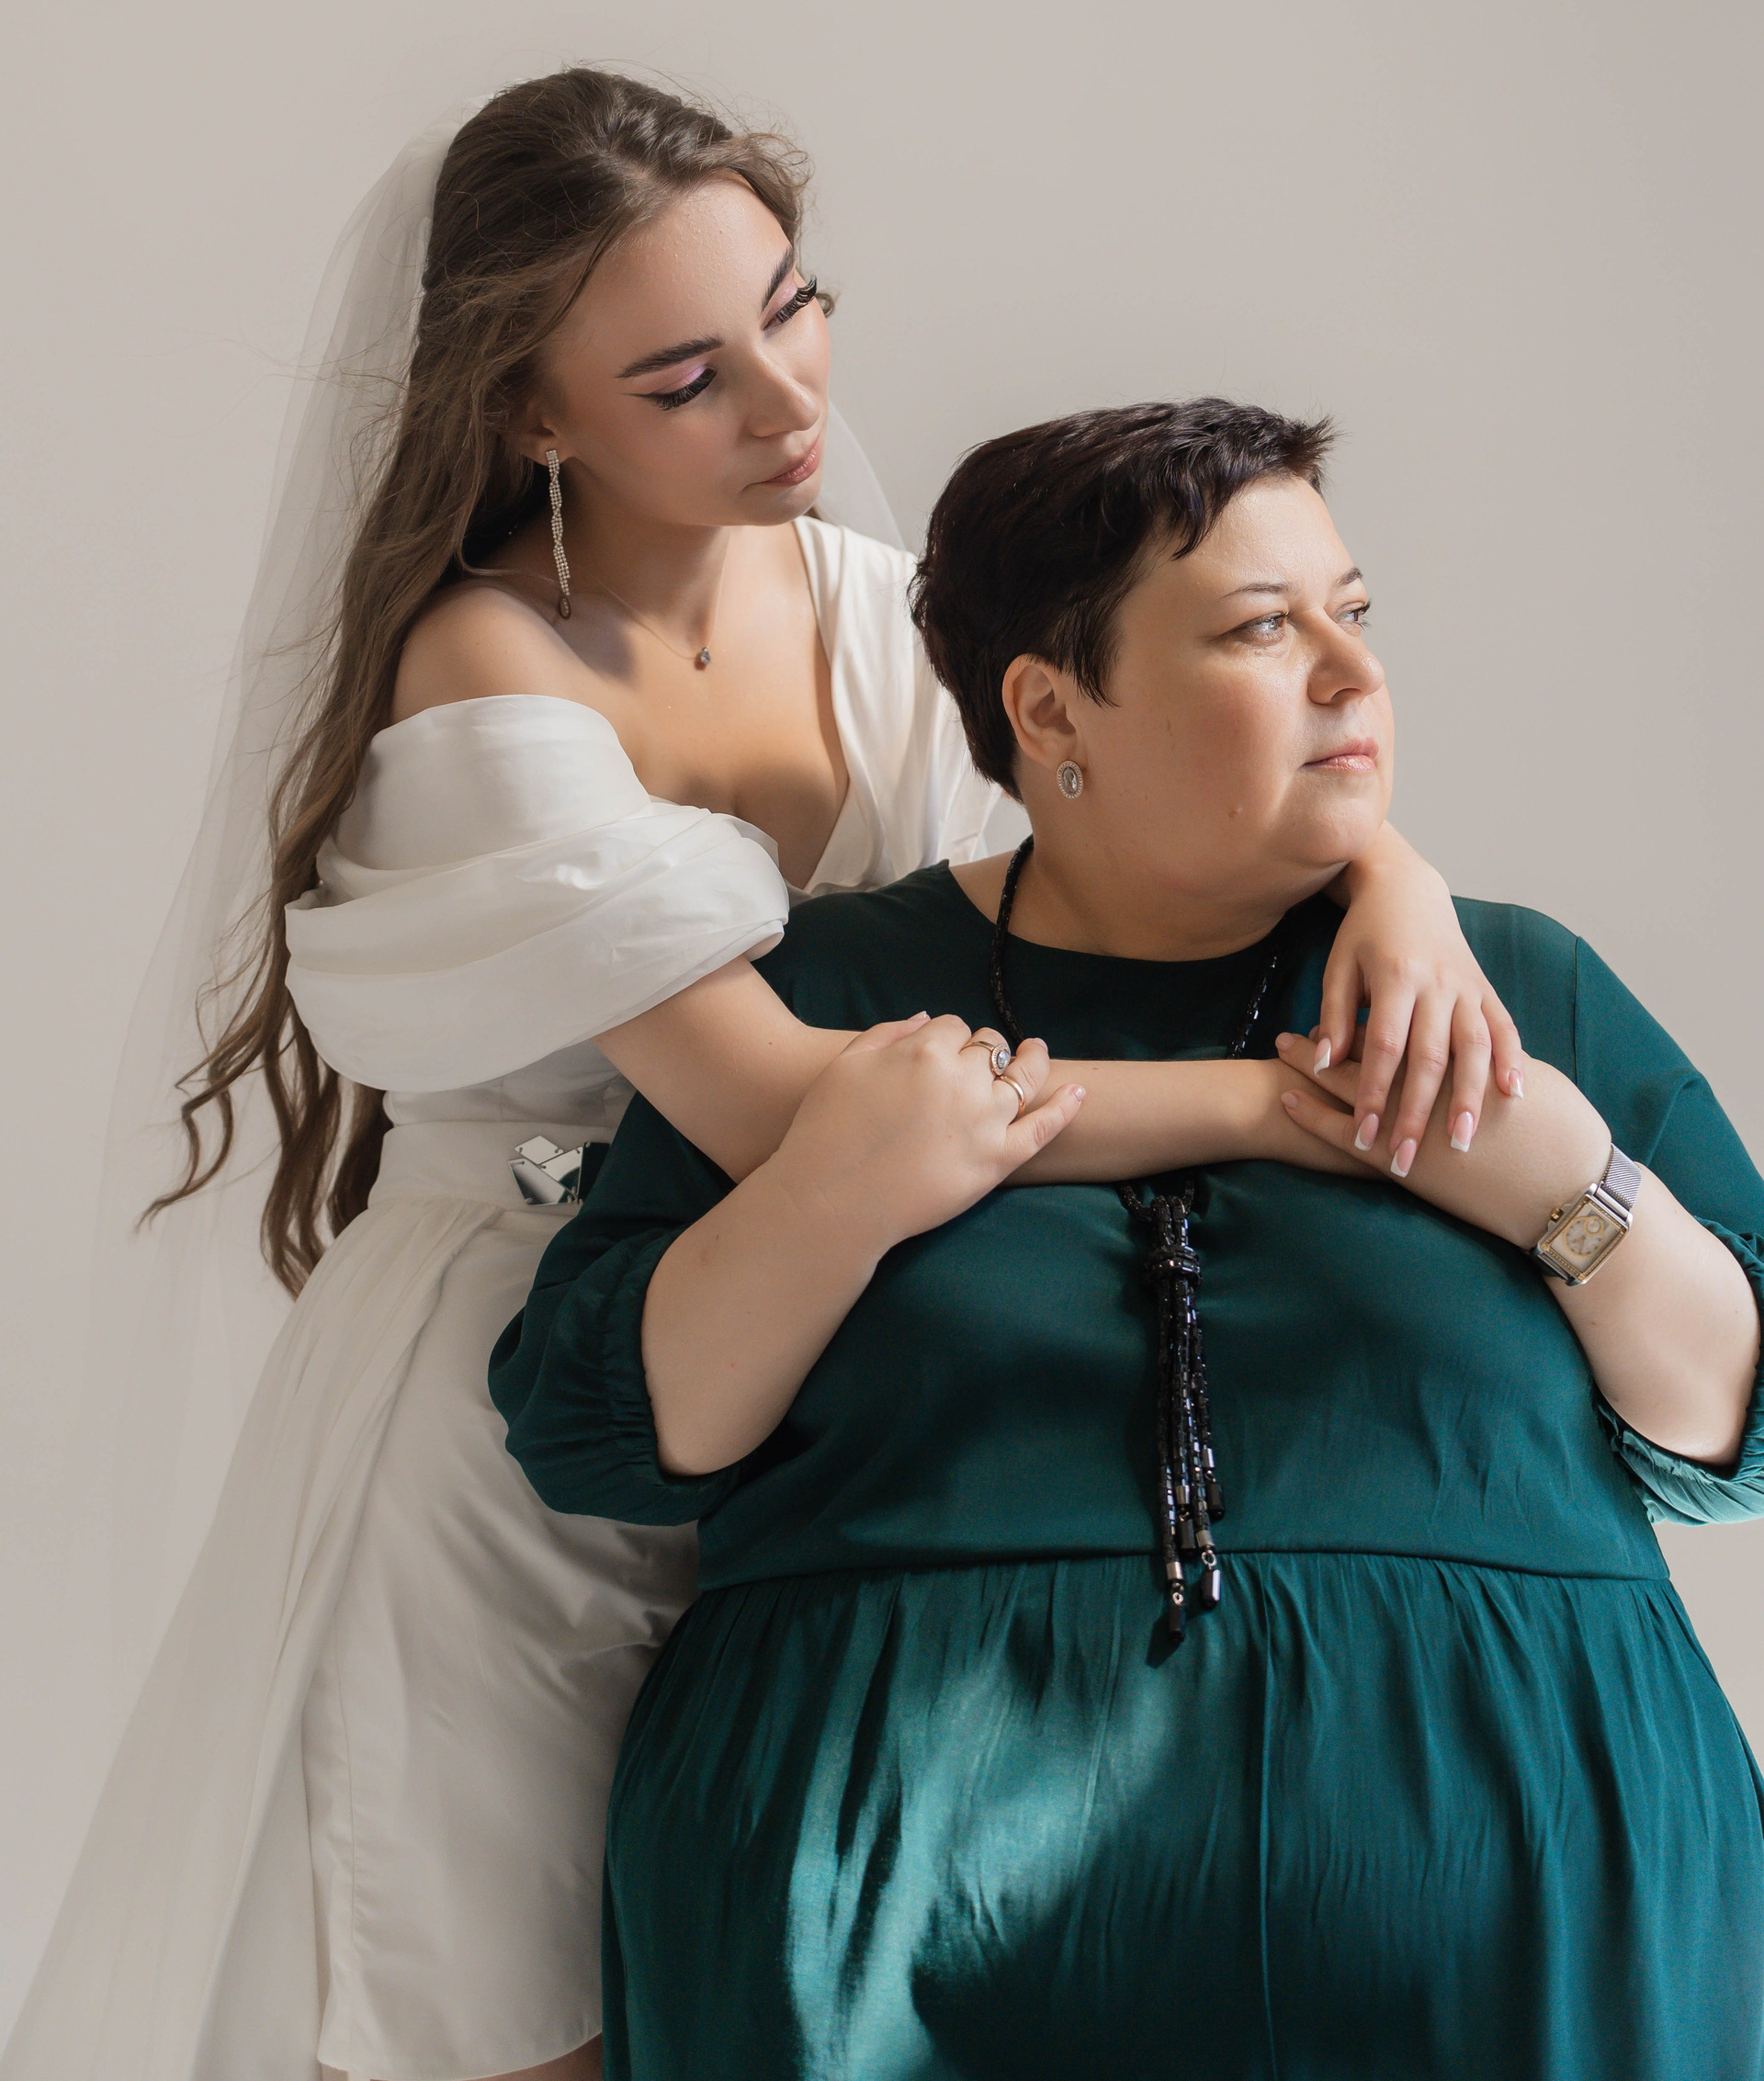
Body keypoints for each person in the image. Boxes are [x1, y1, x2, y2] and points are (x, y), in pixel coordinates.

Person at [3, 76, 1510, 2081]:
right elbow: (789, 1110)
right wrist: (1272, 1107)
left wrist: (1399, 883)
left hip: (825, 1402)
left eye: (794, 307)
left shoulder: (878, 610)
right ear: (533, 415)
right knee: (516, 2027)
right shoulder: (485, 670)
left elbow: (1145, 803)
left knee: (767, 2001)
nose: (790, 399)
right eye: (687, 377)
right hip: (518, 1428)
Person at [492, 397, 1764, 2081]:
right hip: (896, 1930)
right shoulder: (824, 995)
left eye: (1353, 611)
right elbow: (602, 1429)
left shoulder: (1512, 990)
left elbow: (1737, 1431)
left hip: (1521, 1930)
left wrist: (1571, 1184)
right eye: (1262, 628)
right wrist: (835, 1192)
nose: (1354, 671)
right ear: (1048, 707)